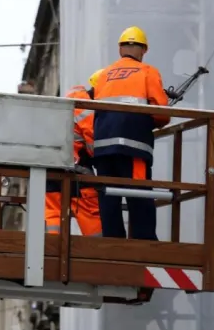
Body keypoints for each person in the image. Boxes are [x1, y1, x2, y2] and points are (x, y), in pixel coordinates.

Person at [88, 26, 170, 240]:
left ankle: (113, 241)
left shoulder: (104, 75)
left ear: (119, 49)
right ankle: (145, 243)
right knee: (139, 193)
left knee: (108, 195)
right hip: (133, 146)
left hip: (103, 146)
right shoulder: (148, 72)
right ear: (143, 50)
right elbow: (162, 114)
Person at [45, 86, 101, 237]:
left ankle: (51, 254)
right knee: (92, 216)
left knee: (53, 216)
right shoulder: (86, 106)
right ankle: (99, 256)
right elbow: (94, 147)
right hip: (76, 172)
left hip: (49, 171)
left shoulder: (65, 104)